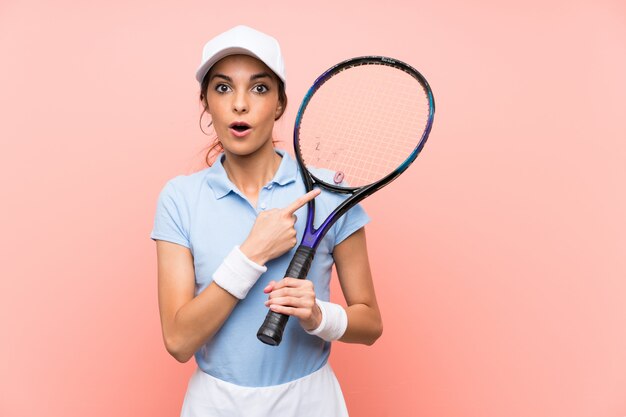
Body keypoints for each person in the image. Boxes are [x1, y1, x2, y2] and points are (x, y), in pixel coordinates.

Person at [150, 25, 383, 417]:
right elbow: (178, 340)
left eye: (259, 88)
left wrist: (319, 316)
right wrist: (251, 253)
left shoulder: (328, 195)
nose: (240, 104)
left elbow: (371, 323)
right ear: (205, 102)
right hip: (214, 404)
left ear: (279, 104)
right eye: (223, 88)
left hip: (310, 402)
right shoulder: (180, 198)